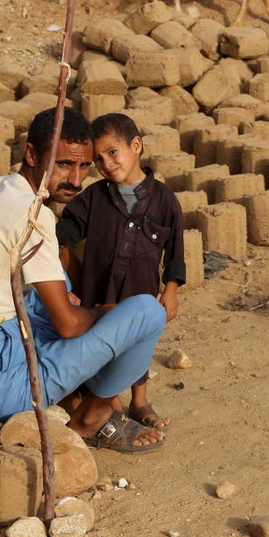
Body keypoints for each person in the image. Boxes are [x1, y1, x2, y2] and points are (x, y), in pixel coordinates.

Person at [0, 108, 167, 453]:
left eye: (83, 166)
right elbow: (68, 326)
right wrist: (103, 313)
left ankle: (79, 390)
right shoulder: (33, 214)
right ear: (31, 154)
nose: (76, 180)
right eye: (63, 164)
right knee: (148, 311)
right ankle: (90, 417)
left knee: (50, 295)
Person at [56, 112, 185, 430]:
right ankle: (109, 404)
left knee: (139, 345)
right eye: (98, 159)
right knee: (105, 345)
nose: (106, 163)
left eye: (112, 152)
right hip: (98, 292)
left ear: (136, 145)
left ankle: (139, 402)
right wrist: (71, 280)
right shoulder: (93, 198)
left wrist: (170, 289)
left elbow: (176, 250)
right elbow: (62, 237)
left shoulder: (164, 200)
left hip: (140, 290)